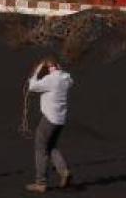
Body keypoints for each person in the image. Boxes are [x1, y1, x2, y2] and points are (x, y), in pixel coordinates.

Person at [25, 57, 74, 193]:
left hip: (49, 119)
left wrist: (37, 70)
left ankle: (41, 182)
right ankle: (64, 171)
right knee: (51, 146)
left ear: (50, 68)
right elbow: (69, 80)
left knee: (40, 148)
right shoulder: (66, 79)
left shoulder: (51, 80)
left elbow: (32, 86)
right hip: (60, 120)